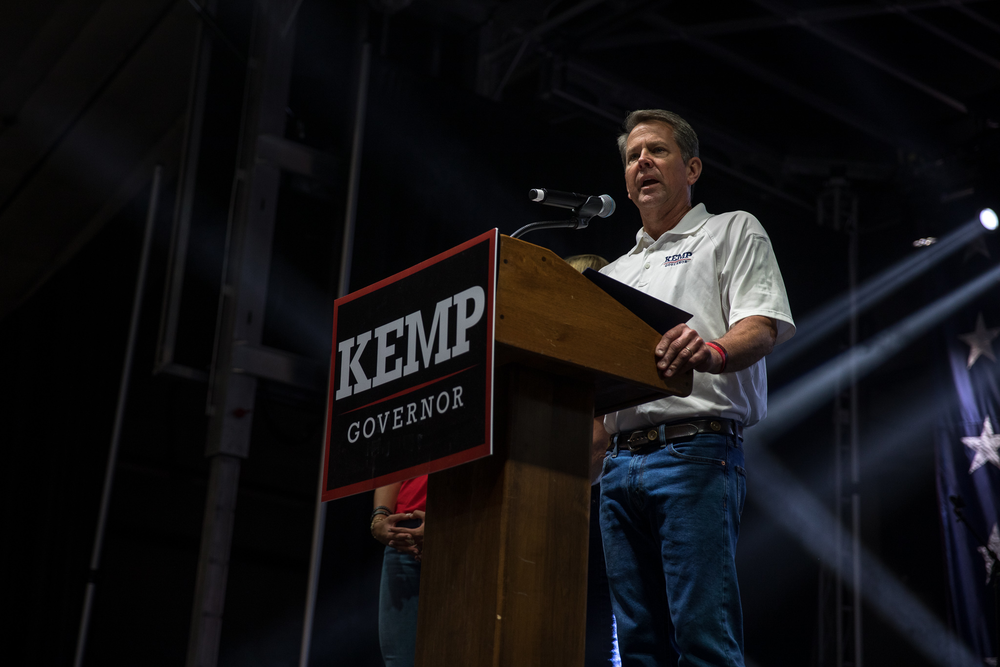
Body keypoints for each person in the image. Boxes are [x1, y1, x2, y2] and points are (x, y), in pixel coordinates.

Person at [597, 109, 795, 666]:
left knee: (703, 641)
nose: (642, 162)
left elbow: (762, 324)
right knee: (637, 649)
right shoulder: (612, 274)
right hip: (617, 465)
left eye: (656, 151)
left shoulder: (731, 230)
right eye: (633, 157)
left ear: (692, 168)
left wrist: (711, 352)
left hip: (695, 452)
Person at [370, 476, 426, 667]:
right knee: (399, 660)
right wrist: (379, 518)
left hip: (463, 520)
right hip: (402, 530)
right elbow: (393, 466)